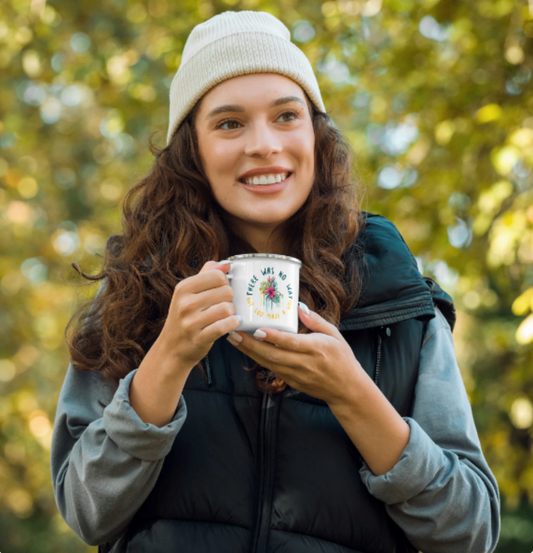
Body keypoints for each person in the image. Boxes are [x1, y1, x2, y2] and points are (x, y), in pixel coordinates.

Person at [50, 10, 501, 553]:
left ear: (316, 135)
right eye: (229, 123)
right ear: (191, 149)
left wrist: (352, 392)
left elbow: (471, 532)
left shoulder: (399, 302)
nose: (263, 144)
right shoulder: (134, 293)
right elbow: (85, 513)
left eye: (286, 116)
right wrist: (167, 359)